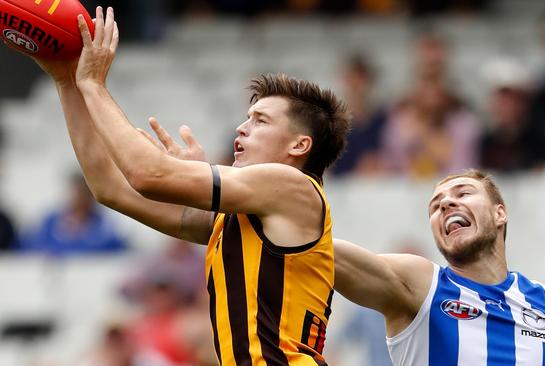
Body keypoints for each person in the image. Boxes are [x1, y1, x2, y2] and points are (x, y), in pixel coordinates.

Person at [27, 6, 350, 365]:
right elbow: (111, 189)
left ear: (299, 146)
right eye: (246, 117)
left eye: (260, 120)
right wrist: (67, 83)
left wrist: (92, 85)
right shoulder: (239, 220)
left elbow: (145, 174)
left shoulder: (294, 185)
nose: (242, 128)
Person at [334, 169, 545, 365]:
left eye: (463, 193)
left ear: (500, 214)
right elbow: (320, 253)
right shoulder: (419, 285)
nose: (445, 204)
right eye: (435, 205)